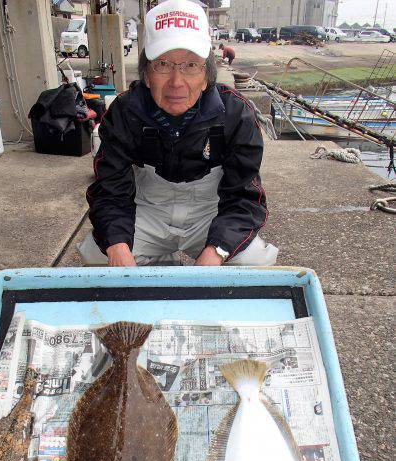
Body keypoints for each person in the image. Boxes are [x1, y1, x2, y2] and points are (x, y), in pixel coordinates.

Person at [78, 0, 278, 267]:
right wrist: (116, 245)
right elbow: (110, 191)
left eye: (191, 65)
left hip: (210, 213)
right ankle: (159, 261)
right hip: (147, 212)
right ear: (147, 75)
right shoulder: (124, 113)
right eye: (162, 64)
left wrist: (217, 250)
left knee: (252, 260)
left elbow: (244, 197)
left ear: (207, 75)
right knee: (97, 254)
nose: (176, 82)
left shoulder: (236, 115)